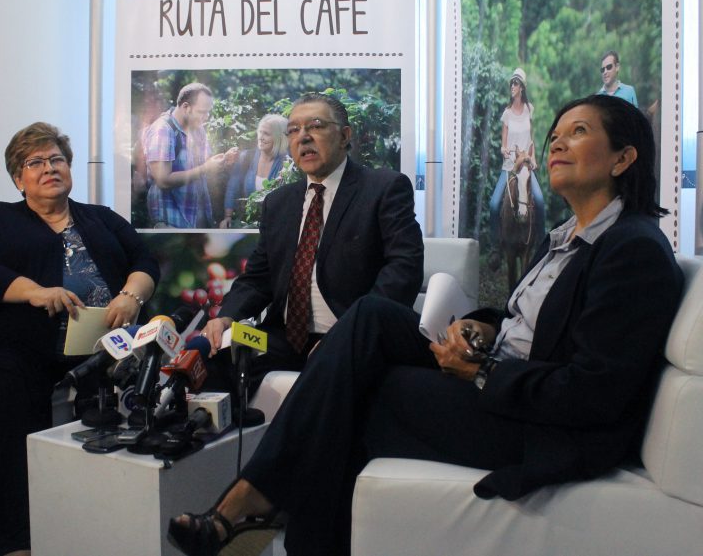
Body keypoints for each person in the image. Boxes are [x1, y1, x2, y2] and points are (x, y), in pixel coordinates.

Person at [167, 95, 683, 556]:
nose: (557, 144)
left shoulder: (632, 249)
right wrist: (481, 329)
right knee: (364, 323)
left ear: (623, 157)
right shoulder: (562, 237)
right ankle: (242, 490)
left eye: (579, 132)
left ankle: (254, 503)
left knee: (360, 391)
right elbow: (525, 321)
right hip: (479, 371)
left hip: (538, 423)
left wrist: (481, 373)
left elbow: (595, 392)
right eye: (555, 134)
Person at [0, 122, 160, 556]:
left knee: (123, 401)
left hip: (98, 346)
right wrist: (34, 292)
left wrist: (130, 296)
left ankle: (108, 524)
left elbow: (145, 260)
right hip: (13, 347)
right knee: (14, 404)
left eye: (57, 159)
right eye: (36, 162)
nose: (49, 168)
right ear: (19, 178)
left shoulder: (101, 218)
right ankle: (21, 542)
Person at [201, 92, 424, 399]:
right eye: (293, 130)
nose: (303, 137)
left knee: (330, 379)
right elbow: (258, 278)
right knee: (211, 357)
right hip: (282, 337)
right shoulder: (278, 203)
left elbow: (404, 268)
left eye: (316, 126)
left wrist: (348, 335)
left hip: (350, 336)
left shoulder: (383, 188)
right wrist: (227, 316)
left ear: (345, 136)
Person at [143, 82, 237, 228]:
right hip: (171, 224)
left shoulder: (198, 130)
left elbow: (205, 166)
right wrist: (206, 168)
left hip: (196, 222)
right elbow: (163, 180)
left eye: (208, 112)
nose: (206, 117)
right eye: (202, 112)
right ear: (186, 107)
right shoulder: (163, 130)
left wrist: (223, 162)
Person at [489, 67, 546, 257]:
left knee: (539, 201)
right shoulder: (507, 113)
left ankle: (541, 246)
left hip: (526, 167)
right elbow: (503, 144)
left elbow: (532, 140)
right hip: (509, 168)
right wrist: (503, 150)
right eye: (511, 83)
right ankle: (496, 248)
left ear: (522, 87)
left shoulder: (530, 109)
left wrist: (534, 158)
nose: (512, 86)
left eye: (515, 83)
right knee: (494, 204)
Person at [219, 114, 290, 228]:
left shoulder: (288, 163)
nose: (261, 137)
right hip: (247, 224)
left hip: (277, 225)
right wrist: (227, 217)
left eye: (266, 134)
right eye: (260, 132)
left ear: (279, 138)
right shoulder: (245, 157)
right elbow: (232, 188)